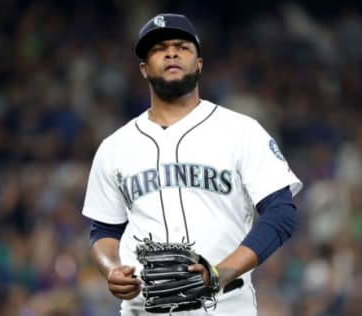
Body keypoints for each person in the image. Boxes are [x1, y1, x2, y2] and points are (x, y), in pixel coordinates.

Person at [82, 13, 303, 316]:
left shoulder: (240, 131)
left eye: (182, 47)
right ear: (144, 69)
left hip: (225, 306)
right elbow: (104, 229)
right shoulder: (114, 148)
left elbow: (280, 212)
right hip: (144, 310)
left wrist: (221, 272)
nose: (171, 52)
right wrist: (111, 269)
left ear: (199, 64)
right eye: (159, 49)